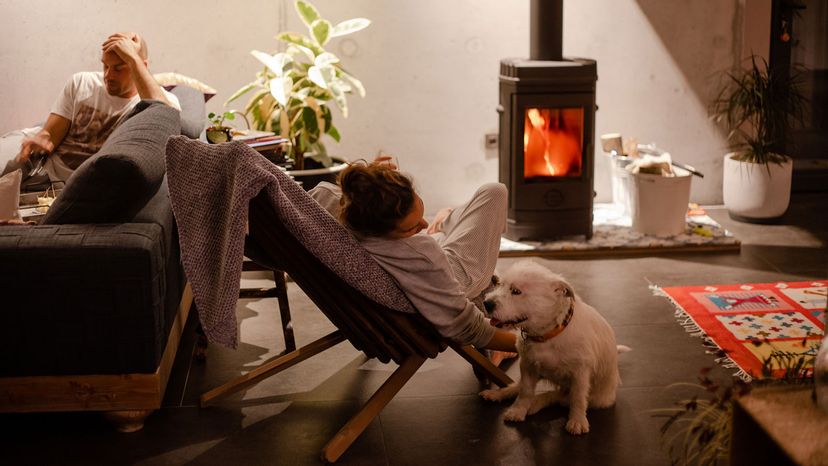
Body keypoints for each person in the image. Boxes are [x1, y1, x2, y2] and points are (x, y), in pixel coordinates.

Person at [309, 158, 517, 353]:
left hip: (424, 260)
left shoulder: (325, 199)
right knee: (495, 192)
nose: (423, 225)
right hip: (453, 276)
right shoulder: (423, 257)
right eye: (411, 228)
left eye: (421, 211)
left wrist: (374, 180)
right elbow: (469, 328)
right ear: (381, 232)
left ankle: (445, 221)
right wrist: (534, 346)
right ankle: (446, 223)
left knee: (442, 230)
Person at [2, 32, 181, 190]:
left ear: (141, 66)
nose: (108, 76)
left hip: (79, 184)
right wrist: (42, 137)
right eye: (105, 66)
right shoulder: (82, 83)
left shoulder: (161, 102)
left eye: (119, 68)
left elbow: (163, 116)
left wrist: (133, 58)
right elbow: (50, 135)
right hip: (42, 166)